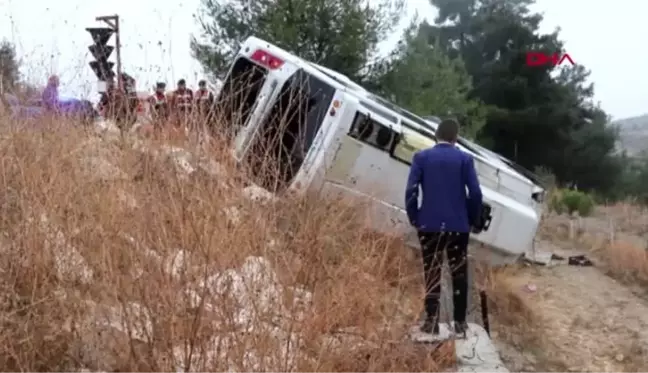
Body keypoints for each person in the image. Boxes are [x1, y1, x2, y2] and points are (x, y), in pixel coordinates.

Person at [404, 118, 483, 337]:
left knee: (432, 270)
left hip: (429, 224)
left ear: (435, 135)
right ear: (455, 137)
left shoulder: (421, 157)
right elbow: (475, 193)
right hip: (458, 226)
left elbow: (411, 190)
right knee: (458, 272)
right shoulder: (465, 159)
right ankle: (459, 323)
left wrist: (414, 216)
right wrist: (471, 218)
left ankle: (431, 321)